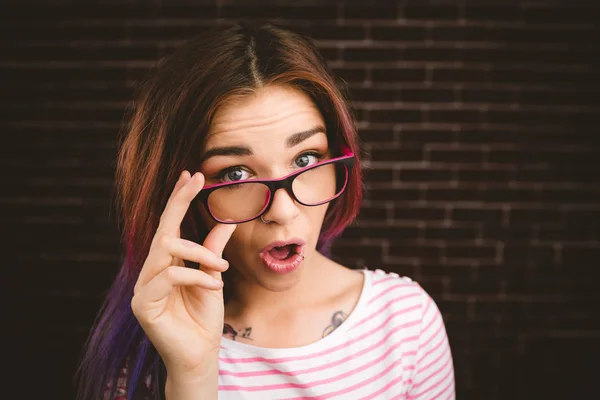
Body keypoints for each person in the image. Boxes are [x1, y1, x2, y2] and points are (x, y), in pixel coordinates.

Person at [75, 20, 455, 400]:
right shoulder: (150, 358)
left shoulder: (406, 324)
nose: (283, 210)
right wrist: (192, 376)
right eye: (236, 174)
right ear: (177, 192)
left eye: (306, 158)